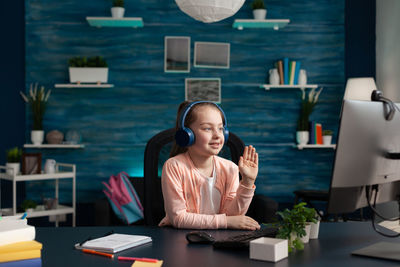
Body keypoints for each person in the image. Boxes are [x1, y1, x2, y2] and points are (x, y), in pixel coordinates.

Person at [159, 101, 260, 230]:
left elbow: (233, 216)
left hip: (218, 239)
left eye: (221, 128)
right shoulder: (174, 166)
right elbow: (179, 218)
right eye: (207, 128)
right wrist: (225, 221)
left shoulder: (230, 168)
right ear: (187, 134)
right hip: (182, 239)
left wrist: (247, 182)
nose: (218, 135)